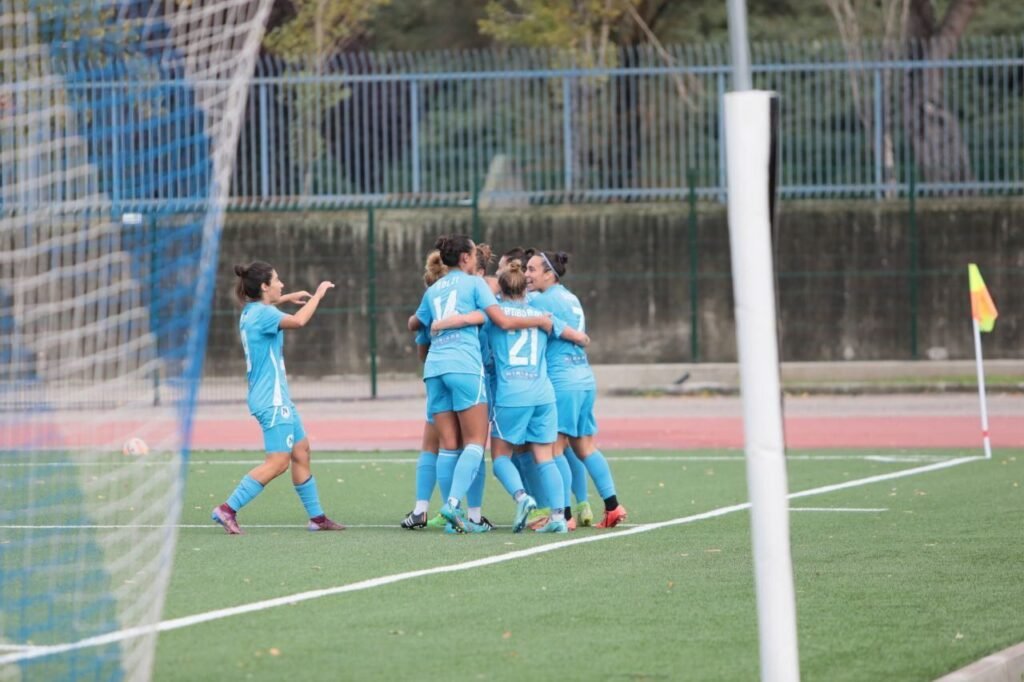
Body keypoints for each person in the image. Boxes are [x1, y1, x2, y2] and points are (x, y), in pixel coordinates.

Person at [410, 234, 553, 533]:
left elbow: (416, 323)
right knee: (475, 442)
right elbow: (502, 320)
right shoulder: (474, 283)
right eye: (474, 254)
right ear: (465, 258)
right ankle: (454, 507)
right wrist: (539, 320)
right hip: (464, 366)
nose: (477, 259)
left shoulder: (434, 289)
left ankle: (452, 519)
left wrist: (443, 321)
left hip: (434, 367)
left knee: (448, 446)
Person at [434, 260, 590, 533]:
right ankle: (558, 519)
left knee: (501, 459)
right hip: (543, 395)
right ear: (524, 288)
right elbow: (578, 337)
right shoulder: (542, 313)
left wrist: (441, 323)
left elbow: (467, 319)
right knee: (545, 457)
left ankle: (522, 497)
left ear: (500, 290)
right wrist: (580, 337)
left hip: (512, 394)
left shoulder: (494, 314)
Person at [211, 262, 345, 535]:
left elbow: (269, 307)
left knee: (301, 451)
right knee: (278, 462)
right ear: (264, 286)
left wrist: (288, 297)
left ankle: (317, 518)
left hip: (277, 399)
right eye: (277, 280)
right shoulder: (265, 315)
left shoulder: (251, 311)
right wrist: (317, 295)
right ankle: (227, 509)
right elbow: (298, 321)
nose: (281, 284)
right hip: (271, 402)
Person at [526, 250, 628, 529]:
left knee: (554, 448)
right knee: (585, 446)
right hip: (584, 378)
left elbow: (508, 308)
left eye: (532, 269)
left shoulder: (539, 299)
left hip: (563, 382)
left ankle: (565, 515)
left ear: (549, 274)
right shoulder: (571, 297)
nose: (526, 275)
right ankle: (612, 506)